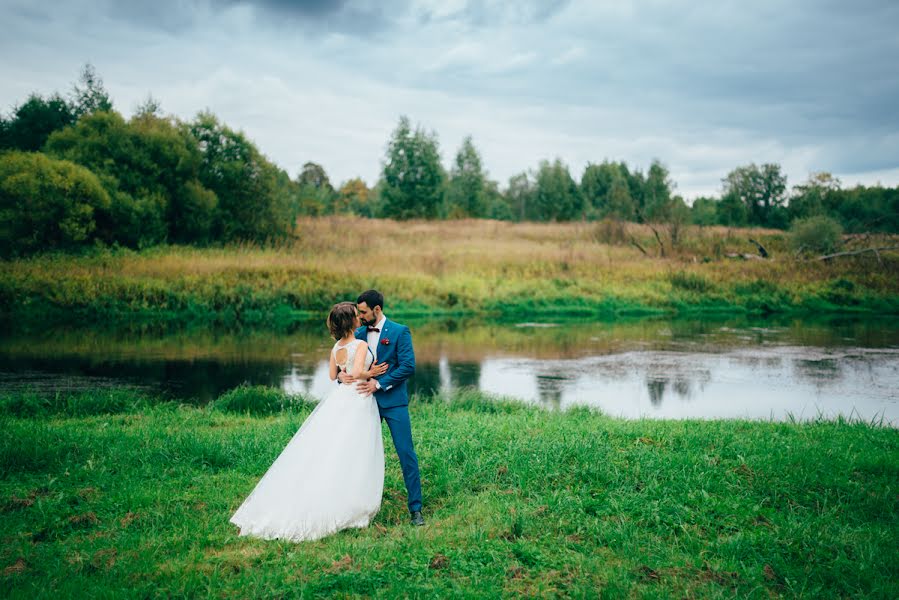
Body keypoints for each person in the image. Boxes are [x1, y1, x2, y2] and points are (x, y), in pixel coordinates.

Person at [229, 302, 388, 542]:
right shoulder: (361, 344)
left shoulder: (337, 347)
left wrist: (347, 375)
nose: (359, 318)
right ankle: (351, 502)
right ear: (350, 322)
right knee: (355, 449)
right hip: (357, 399)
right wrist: (372, 373)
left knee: (335, 447)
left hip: (340, 398)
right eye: (356, 316)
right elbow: (355, 373)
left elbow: (334, 375)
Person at [339, 289, 424, 526]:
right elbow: (343, 364)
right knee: (357, 454)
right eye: (359, 312)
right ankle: (353, 508)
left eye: (364, 312)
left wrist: (379, 383)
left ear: (377, 310)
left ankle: (416, 510)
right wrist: (340, 377)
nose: (360, 316)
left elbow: (408, 366)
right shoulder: (357, 333)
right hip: (363, 404)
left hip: (393, 402)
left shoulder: (399, 331)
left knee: (406, 454)